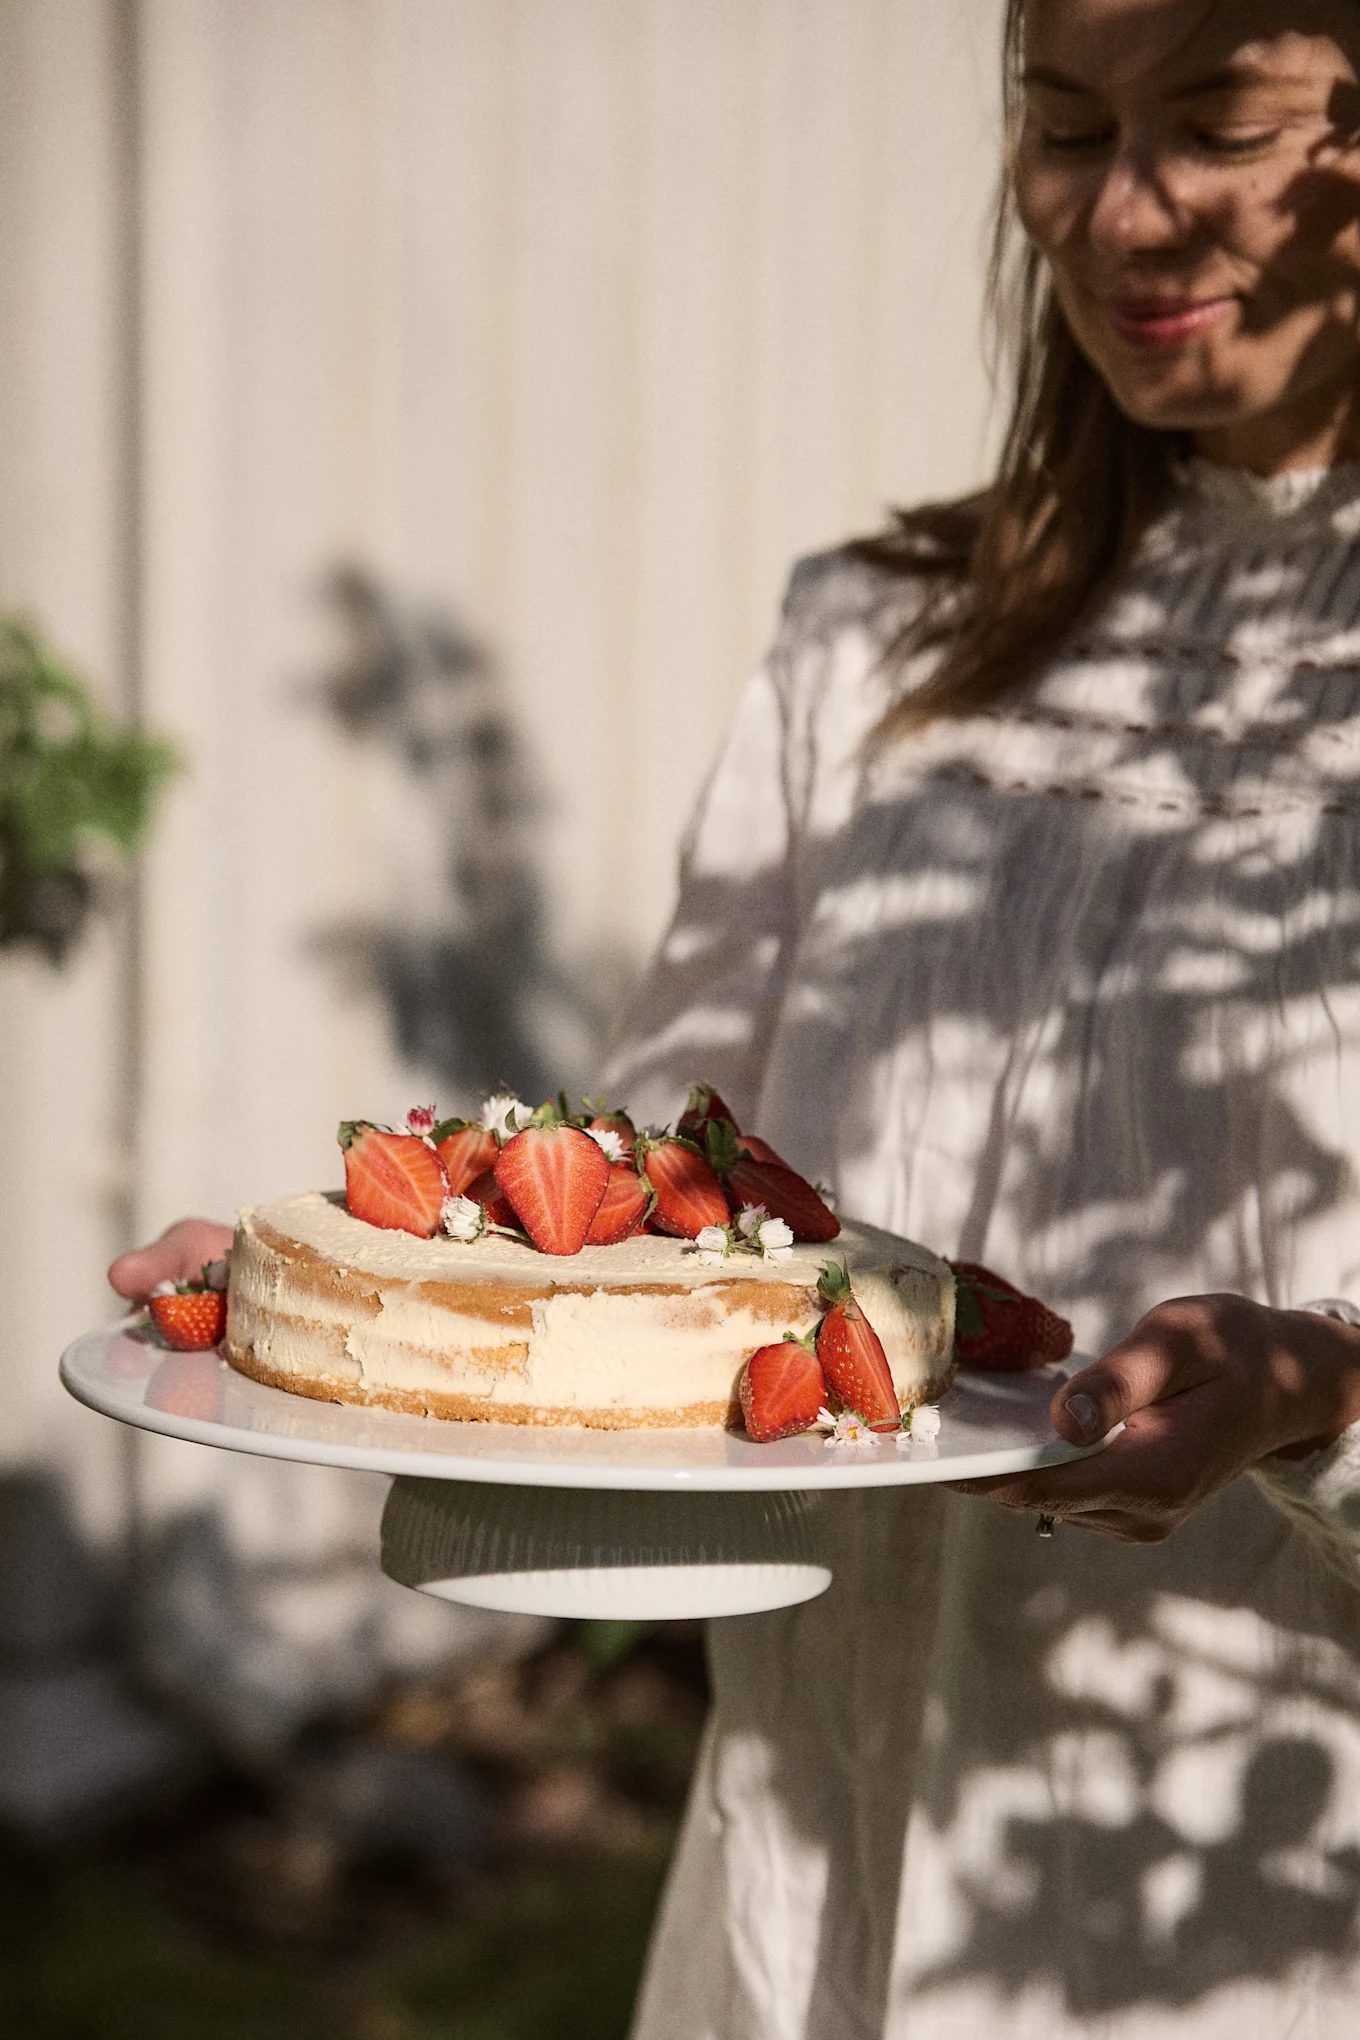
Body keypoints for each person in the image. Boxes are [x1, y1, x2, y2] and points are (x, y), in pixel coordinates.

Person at [113, 0, 1360, 2031]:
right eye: (1062, 125)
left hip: (1246, 1884)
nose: (1124, 211)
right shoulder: (875, 641)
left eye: (1216, 124)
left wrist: (1319, 1393)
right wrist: (342, 1308)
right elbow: (654, 1217)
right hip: (818, 1816)